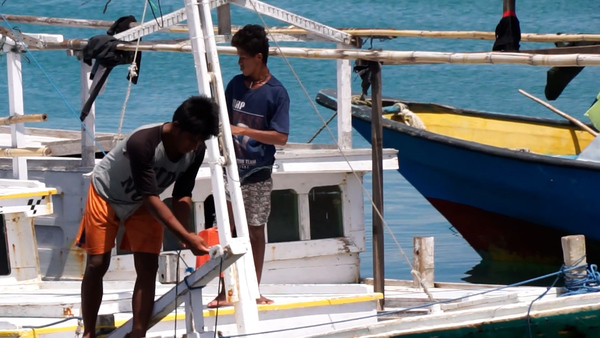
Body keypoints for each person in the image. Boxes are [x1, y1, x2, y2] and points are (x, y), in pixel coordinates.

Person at [75, 95, 220, 338]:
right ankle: (88, 332)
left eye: (200, 141)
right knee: (97, 263)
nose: (195, 146)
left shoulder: (196, 151)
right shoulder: (143, 143)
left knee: (148, 265)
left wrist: (185, 230)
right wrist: (183, 234)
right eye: (192, 139)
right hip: (107, 194)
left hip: (141, 203)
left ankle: (139, 331)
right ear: (176, 127)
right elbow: (151, 199)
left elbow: (182, 194)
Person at [207, 24, 290, 308]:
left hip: (257, 173)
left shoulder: (277, 93)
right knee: (224, 230)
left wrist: (243, 131)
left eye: (243, 56)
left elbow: (281, 137)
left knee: (255, 230)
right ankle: (224, 290)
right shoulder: (234, 85)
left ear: (259, 57)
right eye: (237, 56)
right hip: (230, 171)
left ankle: (254, 290)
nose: (239, 61)